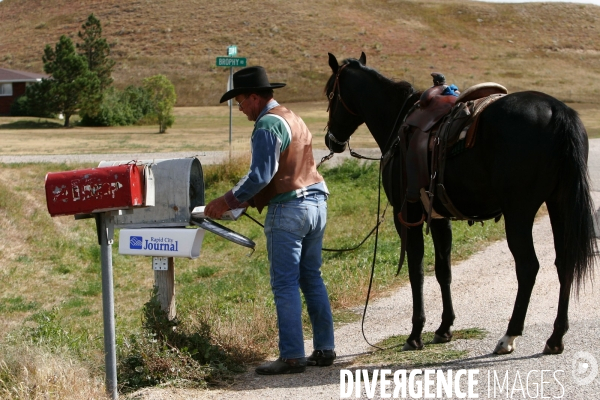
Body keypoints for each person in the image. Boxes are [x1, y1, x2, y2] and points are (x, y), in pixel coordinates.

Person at [204, 66, 336, 375]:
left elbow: (260, 176)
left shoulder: (266, 125)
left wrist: (226, 202)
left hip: (290, 209)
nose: (239, 108)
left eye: (240, 101)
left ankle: (292, 356)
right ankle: (325, 348)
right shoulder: (293, 117)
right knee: (311, 277)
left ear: (253, 97)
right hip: (317, 201)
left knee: (285, 283)